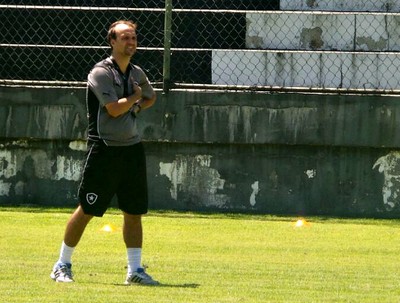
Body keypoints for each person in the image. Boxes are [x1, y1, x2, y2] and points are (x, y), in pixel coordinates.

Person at [50, 20, 158, 285]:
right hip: (104, 150)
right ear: (112, 41)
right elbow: (112, 109)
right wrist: (134, 99)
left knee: (134, 211)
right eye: (124, 38)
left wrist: (137, 106)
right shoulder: (100, 72)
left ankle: (134, 271)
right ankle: (61, 264)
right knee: (87, 208)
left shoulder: (136, 72)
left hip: (131, 150)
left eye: (133, 37)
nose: (130, 43)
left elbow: (151, 96)